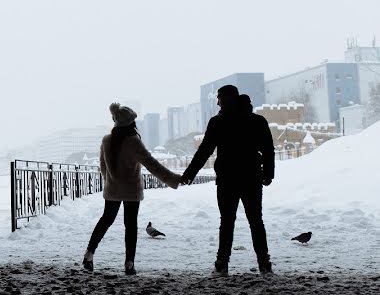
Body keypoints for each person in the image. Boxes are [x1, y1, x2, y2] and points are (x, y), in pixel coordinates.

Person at [180, 86, 275, 276]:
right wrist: (268, 173)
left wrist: (190, 173)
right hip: (251, 177)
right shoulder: (257, 121)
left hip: (227, 179)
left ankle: (222, 264)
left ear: (229, 99)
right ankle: (264, 263)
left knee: (227, 222)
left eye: (220, 98)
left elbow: (205, 150)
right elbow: (268, 149)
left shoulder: (218, 122)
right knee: (256, 221)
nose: (217, 102)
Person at [83, 103, 182, 275]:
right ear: (130, 123)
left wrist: (110, 181)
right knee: (130, 225)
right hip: (131, 190)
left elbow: (102, 166)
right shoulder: (134, 142)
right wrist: (173, 179)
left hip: (113, 189)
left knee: (105, 220)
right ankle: (129, 264)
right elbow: (153, 165)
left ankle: (89, 254)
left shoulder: (107, 140)